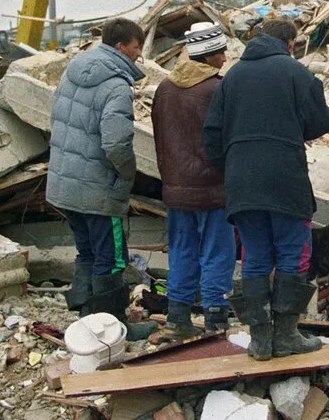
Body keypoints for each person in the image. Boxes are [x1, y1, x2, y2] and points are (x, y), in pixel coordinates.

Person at [203, 18, 329, 361]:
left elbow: (211, 134)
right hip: (285, 177)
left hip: (242, 182)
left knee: (255, 255)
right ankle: (287, 334)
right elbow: (322, 120)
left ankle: (260, 340)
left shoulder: (231, 77)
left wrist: (232, 167)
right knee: (293, 252)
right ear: (289, 42)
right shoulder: (295, 72)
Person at [46, 17, 155, 339]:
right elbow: (116, 143)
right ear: (121, 46)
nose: (139, 54)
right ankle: (112, 325)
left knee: (87, 251)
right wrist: (126, 174)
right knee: (112, 257)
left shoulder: (74, 72)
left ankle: (84, 315)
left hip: (66, 185)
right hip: (99, 191)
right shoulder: (117, 85)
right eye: (136, 47)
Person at [151, 21, 236, 337]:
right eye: (221, 52)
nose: (226, 57)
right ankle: (215, 318)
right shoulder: (217, 90)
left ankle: (178, 317)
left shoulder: (164, 88)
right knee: (217, 251)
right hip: (213, 189)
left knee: (182, 249)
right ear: (209, 56)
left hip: (176, 189)